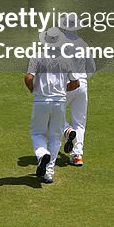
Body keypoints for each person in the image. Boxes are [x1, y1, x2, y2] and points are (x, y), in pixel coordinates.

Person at [25, 27, 77, 184]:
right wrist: (62, 89)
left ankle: (42, 155)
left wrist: (33, 89)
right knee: (55, 137)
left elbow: (28, 78)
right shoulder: (67, 59)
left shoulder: (37, 57)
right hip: (59, 102)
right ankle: (49, 173)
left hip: (41, 100)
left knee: (37, 133)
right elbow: (75, 83)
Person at [56, 14, 95, 167]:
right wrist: (83, 80)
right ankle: (77, 155)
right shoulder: (84, 44)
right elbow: (92, 68)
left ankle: (66, 131)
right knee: (80, 122)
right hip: (82, 85)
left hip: (64, 84)